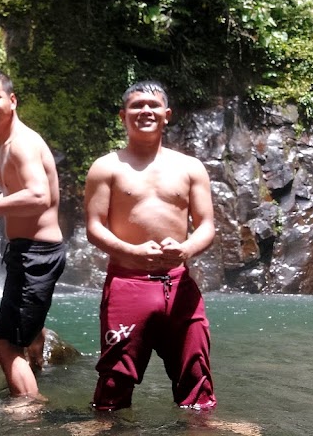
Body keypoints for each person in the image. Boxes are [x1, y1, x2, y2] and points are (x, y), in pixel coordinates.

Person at [83, 80, 217, 411]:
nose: (146, 110)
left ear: (166, 114)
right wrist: (133, 252)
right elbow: (94, 227)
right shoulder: (106, 167)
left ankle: (203, 430)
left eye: (153, 105)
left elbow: (206, 226)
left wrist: (186, 250)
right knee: (115, 379)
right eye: (137, 105)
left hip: (179, 284)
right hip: (128, 283)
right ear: (123, 115)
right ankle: (107, 428)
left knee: (196, 375)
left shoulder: (190, 167)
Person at [0, 70, 66, 400]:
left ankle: (29, 409)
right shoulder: (8, 143)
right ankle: (36, 375)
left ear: (12, 100)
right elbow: (20, 191)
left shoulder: (21, 145)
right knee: (28, 332)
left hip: (36, 254)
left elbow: (39, 196)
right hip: (29, 251)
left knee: (6, 344)